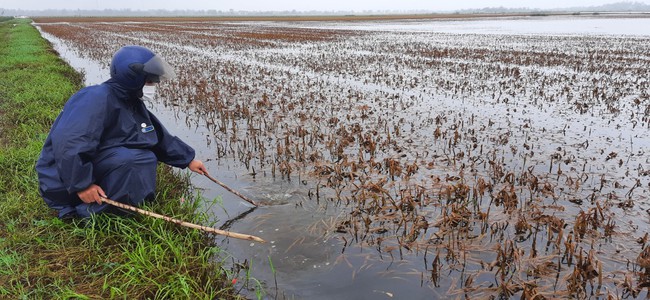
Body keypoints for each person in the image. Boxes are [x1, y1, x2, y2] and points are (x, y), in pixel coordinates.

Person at [36, 45, 207, 219]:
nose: (153, 86)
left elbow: (154, 135)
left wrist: (188, 160)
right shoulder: (95, 98)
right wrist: (82, 185)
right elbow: (70, 143)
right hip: (62, 182)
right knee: (134, 160)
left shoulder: (130, 101)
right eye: (149, 81)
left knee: (146, 155)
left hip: (80, 171)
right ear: (132, 77)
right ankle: (92, 215)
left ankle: (126, 205)